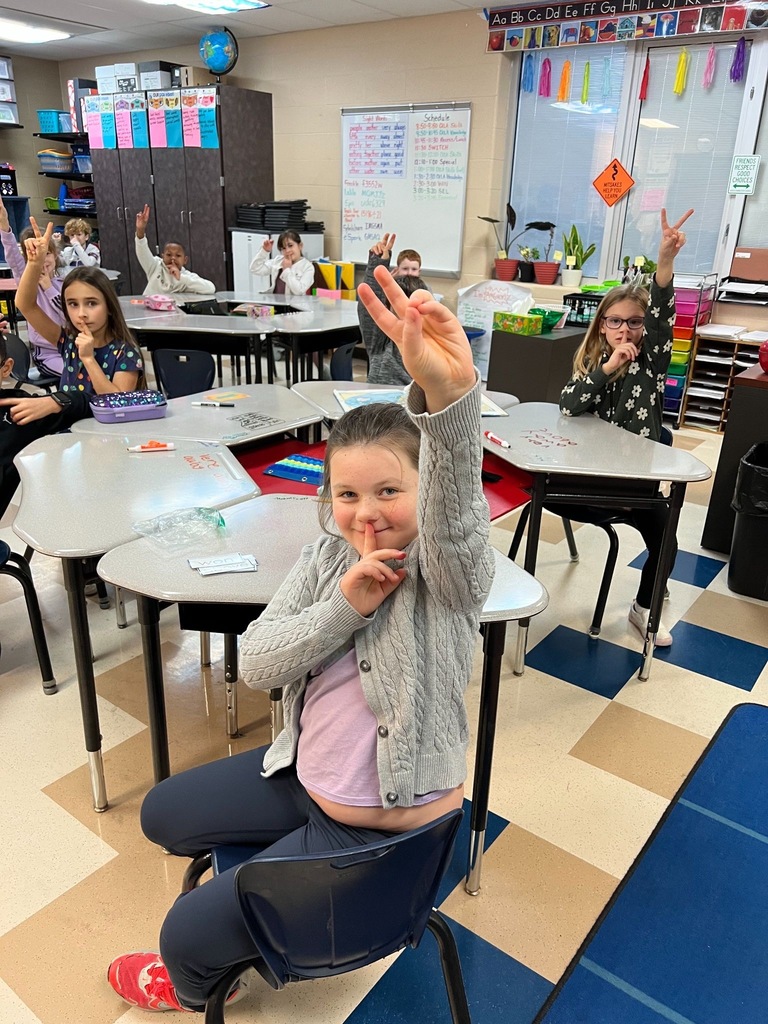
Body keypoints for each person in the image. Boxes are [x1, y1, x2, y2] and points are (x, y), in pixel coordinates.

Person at [106, 263, 495, 1014]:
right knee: (162, 814)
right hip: (303, 776)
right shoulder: (327, 558)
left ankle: (200, 983)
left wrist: (450, 404)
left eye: (389, 491)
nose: (366, 514)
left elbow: (457, 521)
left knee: (183, 937)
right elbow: (258, 660)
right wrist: (342, 609)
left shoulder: (445, 568)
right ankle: (261, 911)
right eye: (347, 495)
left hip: (377, 831)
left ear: (426, 487)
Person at [559, 207, 694, 646]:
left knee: (666, 539)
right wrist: (606, 367)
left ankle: (644, 608)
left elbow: (662, 318)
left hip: (637, 487)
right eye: (614, 321)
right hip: (588, 481)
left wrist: (665, 264)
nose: (624, 329)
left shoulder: (652, 362)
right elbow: (568, 405)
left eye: (633, 322)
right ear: (602, 325)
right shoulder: (591, 361)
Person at [0, 219, 144, 519]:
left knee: (104, 508)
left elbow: (116, 404)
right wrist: (35, 263)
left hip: (110, 447)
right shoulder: (66, 339)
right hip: (72, 441)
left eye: (91, 303)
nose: (81, 314)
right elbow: (25, 304)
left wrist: (89, 359)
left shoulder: (124, 350)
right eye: (72, 304)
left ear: (108, 305)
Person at [0, 196, 65, 377]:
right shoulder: (29, 285)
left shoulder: (64, 284)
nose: (44, 260)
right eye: (36, 256)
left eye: (48, 254)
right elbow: (13, 256)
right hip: (47, 354)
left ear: (56, 255)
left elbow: (68, 315)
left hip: (72, 348)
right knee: (78, 373)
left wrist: (49, 288)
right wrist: (4, 224)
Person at [359, 232, 429, 386]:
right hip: (380, 405)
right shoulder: (381, 342)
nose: (404, 313)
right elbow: (369, 305)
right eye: (396, 307)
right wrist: (378, 262)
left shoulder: (429, 344)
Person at [134, 204, 215, 296]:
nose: (173, 258)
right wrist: (140, 229)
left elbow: (211, 288)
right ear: (162, 256)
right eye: (168, 255)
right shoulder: (155, 266)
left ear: (185, 260)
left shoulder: (187, 276)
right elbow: (142, 250)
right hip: (150, 308)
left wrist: (181, 277)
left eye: (178, 255)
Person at [248, 230, 315, 295]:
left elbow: (299, 291)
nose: (287, 250)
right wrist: (264, 251)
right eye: (283, 248)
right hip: (276, 303)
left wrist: (286, 270)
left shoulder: (308, 267)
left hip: (295, 305)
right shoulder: (278, 260)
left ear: (300, 246)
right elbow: (255, 269)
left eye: (290, 245)